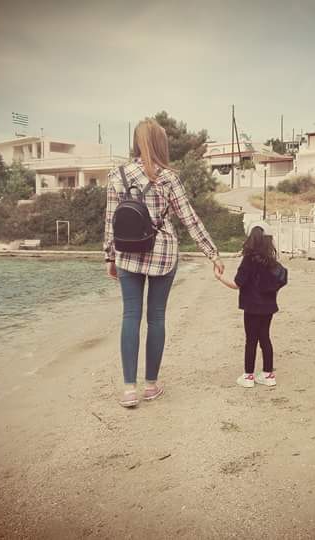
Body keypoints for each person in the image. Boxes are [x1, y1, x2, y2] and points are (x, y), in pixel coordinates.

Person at [104, 118, 225, 408]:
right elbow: (189, 218)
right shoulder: (169, 178)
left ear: (136, 142)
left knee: (130, 316)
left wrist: (110, 256)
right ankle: (150, 386)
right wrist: (212, 253)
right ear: (161, 144)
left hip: (127, 253)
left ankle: (129, 390)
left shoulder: (117, 174)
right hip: (163, 253)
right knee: (156, 318)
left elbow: (111, 221)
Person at [215, 221, 287, 388]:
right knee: (265, 338)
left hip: (251, 307)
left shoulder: (248, 260)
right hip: (268, 307)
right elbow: (281, 279)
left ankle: (248, 376)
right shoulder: (271, 261)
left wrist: (219, 277)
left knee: (251, 340)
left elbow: (236, 284)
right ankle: (268, 375)